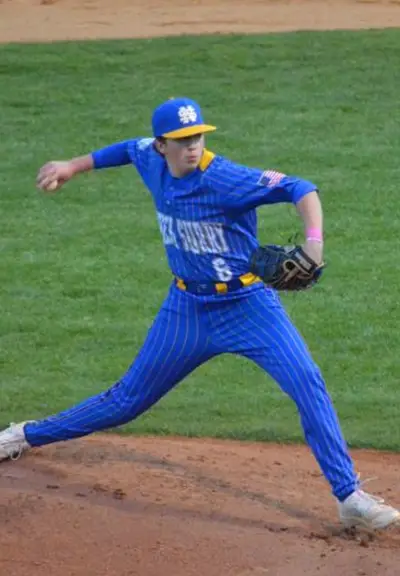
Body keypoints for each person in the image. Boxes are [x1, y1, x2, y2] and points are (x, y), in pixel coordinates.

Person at [0, 97, 398, 531]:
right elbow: (125, 149)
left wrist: (314, 243)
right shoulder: (149, 160)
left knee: (307, 381)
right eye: (182, 140)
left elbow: (300, 187)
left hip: (249, 306)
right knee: (125, 402)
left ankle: (349, 496)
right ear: (161, 146)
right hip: (186, 310)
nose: (192, 146)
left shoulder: (227, 178)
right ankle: (24, 435)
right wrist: (72, 166)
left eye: (197, 137)